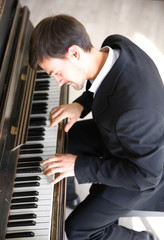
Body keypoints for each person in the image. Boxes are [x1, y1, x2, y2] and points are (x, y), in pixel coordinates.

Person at [29, 14, 164, 240]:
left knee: (77, 229)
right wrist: (81, 104)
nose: (58, 81)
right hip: (120, 134)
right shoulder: (114, 45)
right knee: (60, 140)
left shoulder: (134, 113)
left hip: (140, 170)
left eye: (57, 73)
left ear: (74, 53)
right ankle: (68, 195)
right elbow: (105, 81)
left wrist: (79, 166)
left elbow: (147, 176)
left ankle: (143, 239)